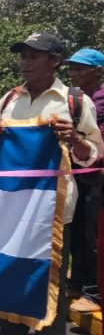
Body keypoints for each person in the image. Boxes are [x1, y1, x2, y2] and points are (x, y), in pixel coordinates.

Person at [0, 32, 104, 335]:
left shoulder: (75, 102)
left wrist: (75, 141)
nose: (26, 62)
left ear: (55, 61)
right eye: (23, 55)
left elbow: (92, 154)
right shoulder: (9, 100)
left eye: (35, 56)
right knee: (10, 273)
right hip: (10, 207)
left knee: (51, 284)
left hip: (53, 211)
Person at [65, 49, 104, 300]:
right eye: (72, 68)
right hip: (74, 169)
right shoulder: (73, 99)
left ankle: (89, 283)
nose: (74, 73)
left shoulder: (100, 99)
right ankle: (79, 279)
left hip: (95, 172)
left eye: (80, 68)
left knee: (91, 229)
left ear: (97, 71)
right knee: (76, 225)